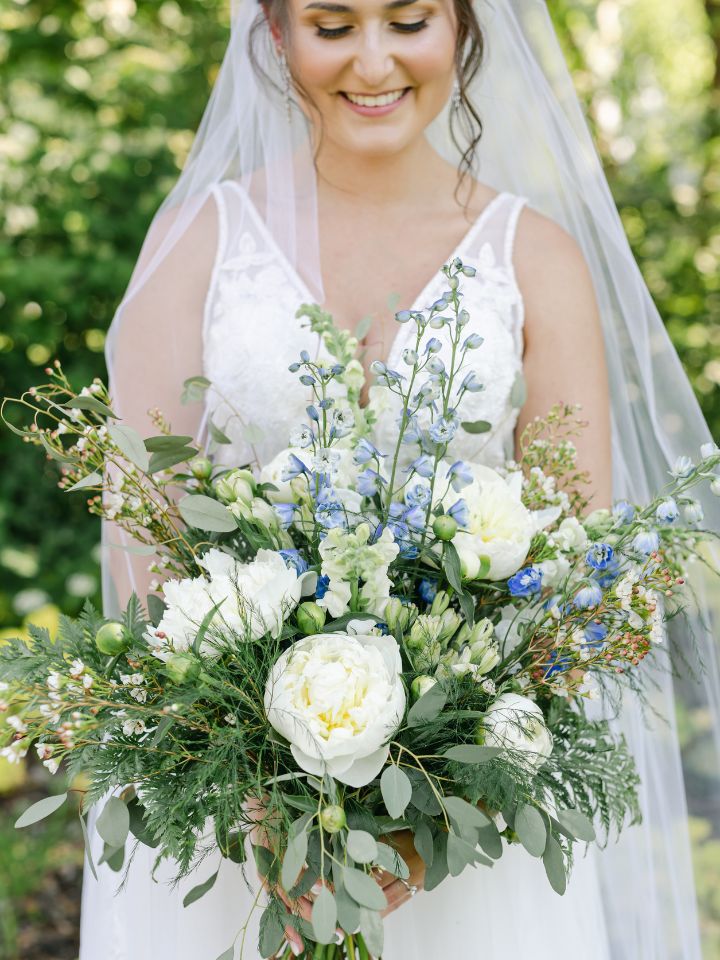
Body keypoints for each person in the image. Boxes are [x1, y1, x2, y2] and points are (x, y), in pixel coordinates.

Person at [80, 0, 720, 957]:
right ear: (275, 36)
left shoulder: (535, 256)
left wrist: (433, 810)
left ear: (462, 28)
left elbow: (583, 566)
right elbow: (145, 543)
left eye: (409, 20)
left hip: (472, 825)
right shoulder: (200, 245)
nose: (372, 62)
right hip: (227, 811)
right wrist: (255, 788)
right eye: (332, 27)